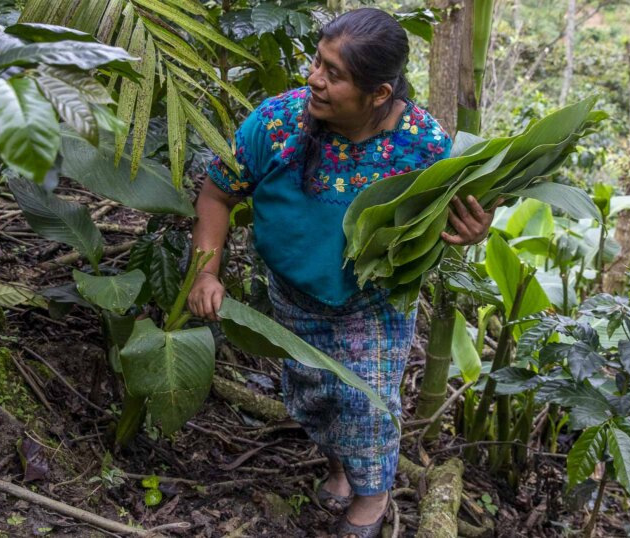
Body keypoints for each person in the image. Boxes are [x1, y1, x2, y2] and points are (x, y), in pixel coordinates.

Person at [188, 8, 496, 537]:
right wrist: (205, 273)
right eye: (317, 63)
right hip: (292, 293)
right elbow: (217, 194)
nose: (314, 79)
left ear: (378, 93)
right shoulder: (276, 123)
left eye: (333, 74)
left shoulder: (423, 144)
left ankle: (370, 503)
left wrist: (473, 230)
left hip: (373, 299)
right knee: (316, 393)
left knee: (366, 400)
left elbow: (455, 215)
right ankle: (340, 466)